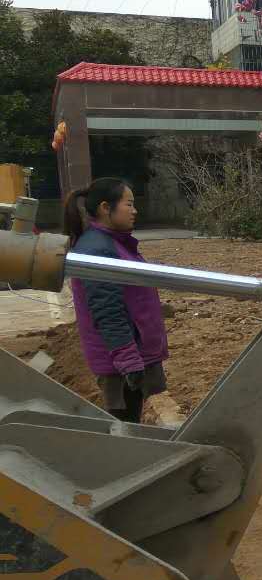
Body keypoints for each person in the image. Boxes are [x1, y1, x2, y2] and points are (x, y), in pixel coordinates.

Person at [62, 177, 168, 424]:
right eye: (128, 204)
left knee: (129, 424)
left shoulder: (111, 243)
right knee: (124, 428)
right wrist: (128, 361)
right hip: (121, 364)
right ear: (105, 208)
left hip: (129, 356)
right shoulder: (98, 250)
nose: (134, 210)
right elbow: (107, 311)